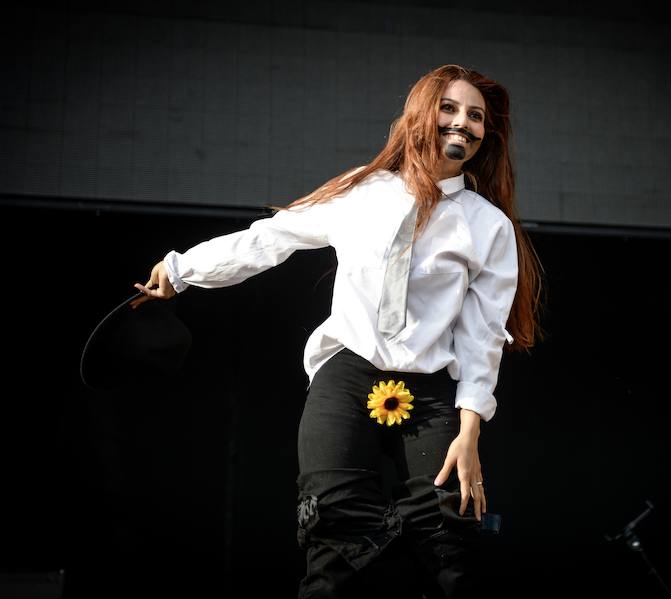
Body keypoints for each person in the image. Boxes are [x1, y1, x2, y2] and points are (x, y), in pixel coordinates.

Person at [131, 64, 544, 598]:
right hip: (346, 374)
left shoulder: (488, 226)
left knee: (449, 539)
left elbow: (482, 335)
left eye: (476, 116)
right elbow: (269, 239)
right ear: (420, 114)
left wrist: (470, 432)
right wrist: (183, 269)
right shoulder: (362, 191)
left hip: (431, 389)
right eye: (449, 108)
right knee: (333, 531)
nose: (462, 123)